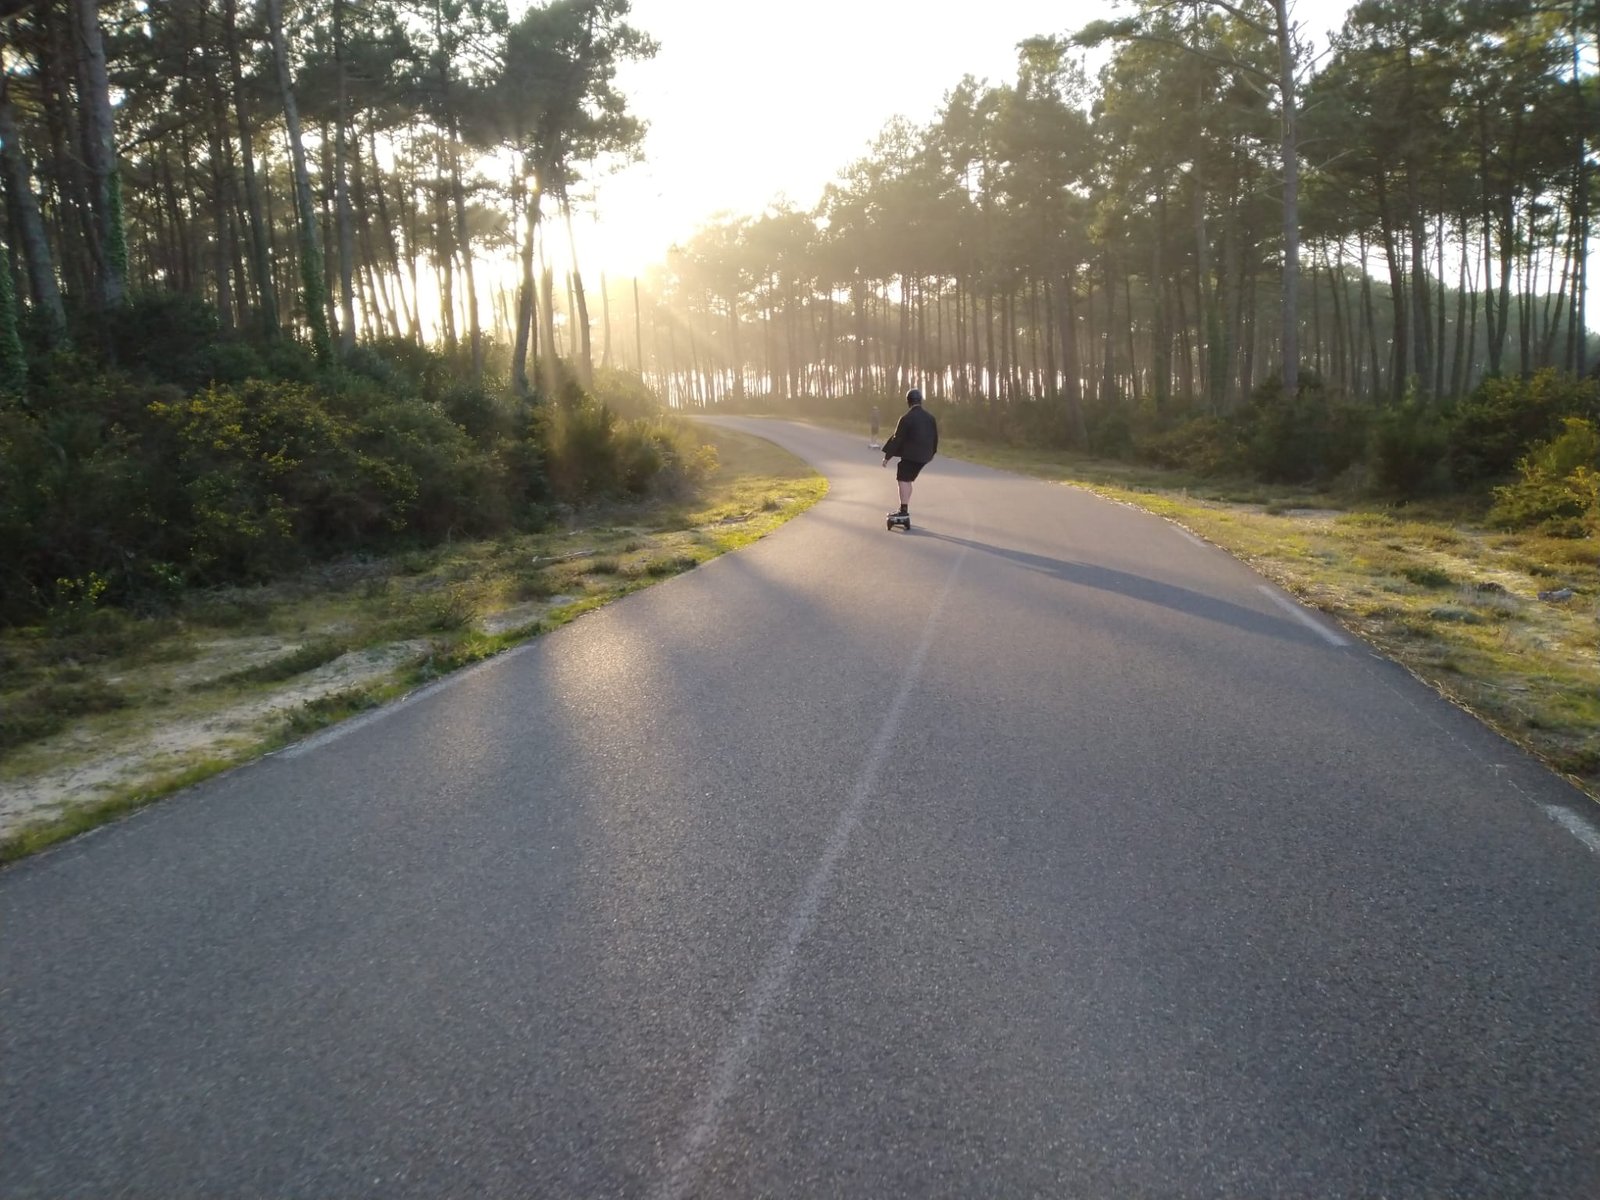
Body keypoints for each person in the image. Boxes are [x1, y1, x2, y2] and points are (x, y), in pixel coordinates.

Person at [880, 388, 938, 520]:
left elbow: (897, 438)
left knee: (903, 478)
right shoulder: (930, 418)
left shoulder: (906, 418)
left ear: (908, 401)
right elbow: (935, 437)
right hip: (926, 456)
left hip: (913, 455)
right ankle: (904, 507)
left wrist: (887, 457)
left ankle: (903, 510)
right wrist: (932, 453)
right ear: (920, 401)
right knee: (908, 479)